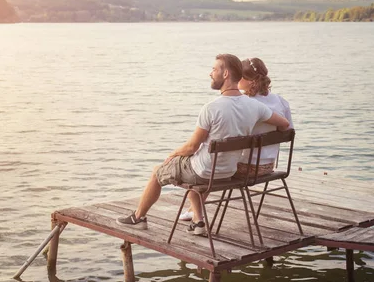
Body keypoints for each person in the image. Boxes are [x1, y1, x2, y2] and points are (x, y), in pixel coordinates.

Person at [116, 54, 290, 235]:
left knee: (158, 172)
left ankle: (138, 218)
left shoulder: (211, 108)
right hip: (229, 171)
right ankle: (198, 221)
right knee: (191, 167)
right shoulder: (256, 107)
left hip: (205, 171)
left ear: (226, 74)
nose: (210, 73)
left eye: (214, 69)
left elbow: (191, 147)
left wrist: (173, 154)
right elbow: (285, 125)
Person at [179, 56, 293, 221]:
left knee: (213, 162)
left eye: (241, 77)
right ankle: (193, 211)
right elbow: (288, 130)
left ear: (249, 81)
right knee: (219, 156)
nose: (237, 79)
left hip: (245, 169)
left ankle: (196, 213)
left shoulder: (248, 105)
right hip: (269, 165)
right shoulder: (280, 101)